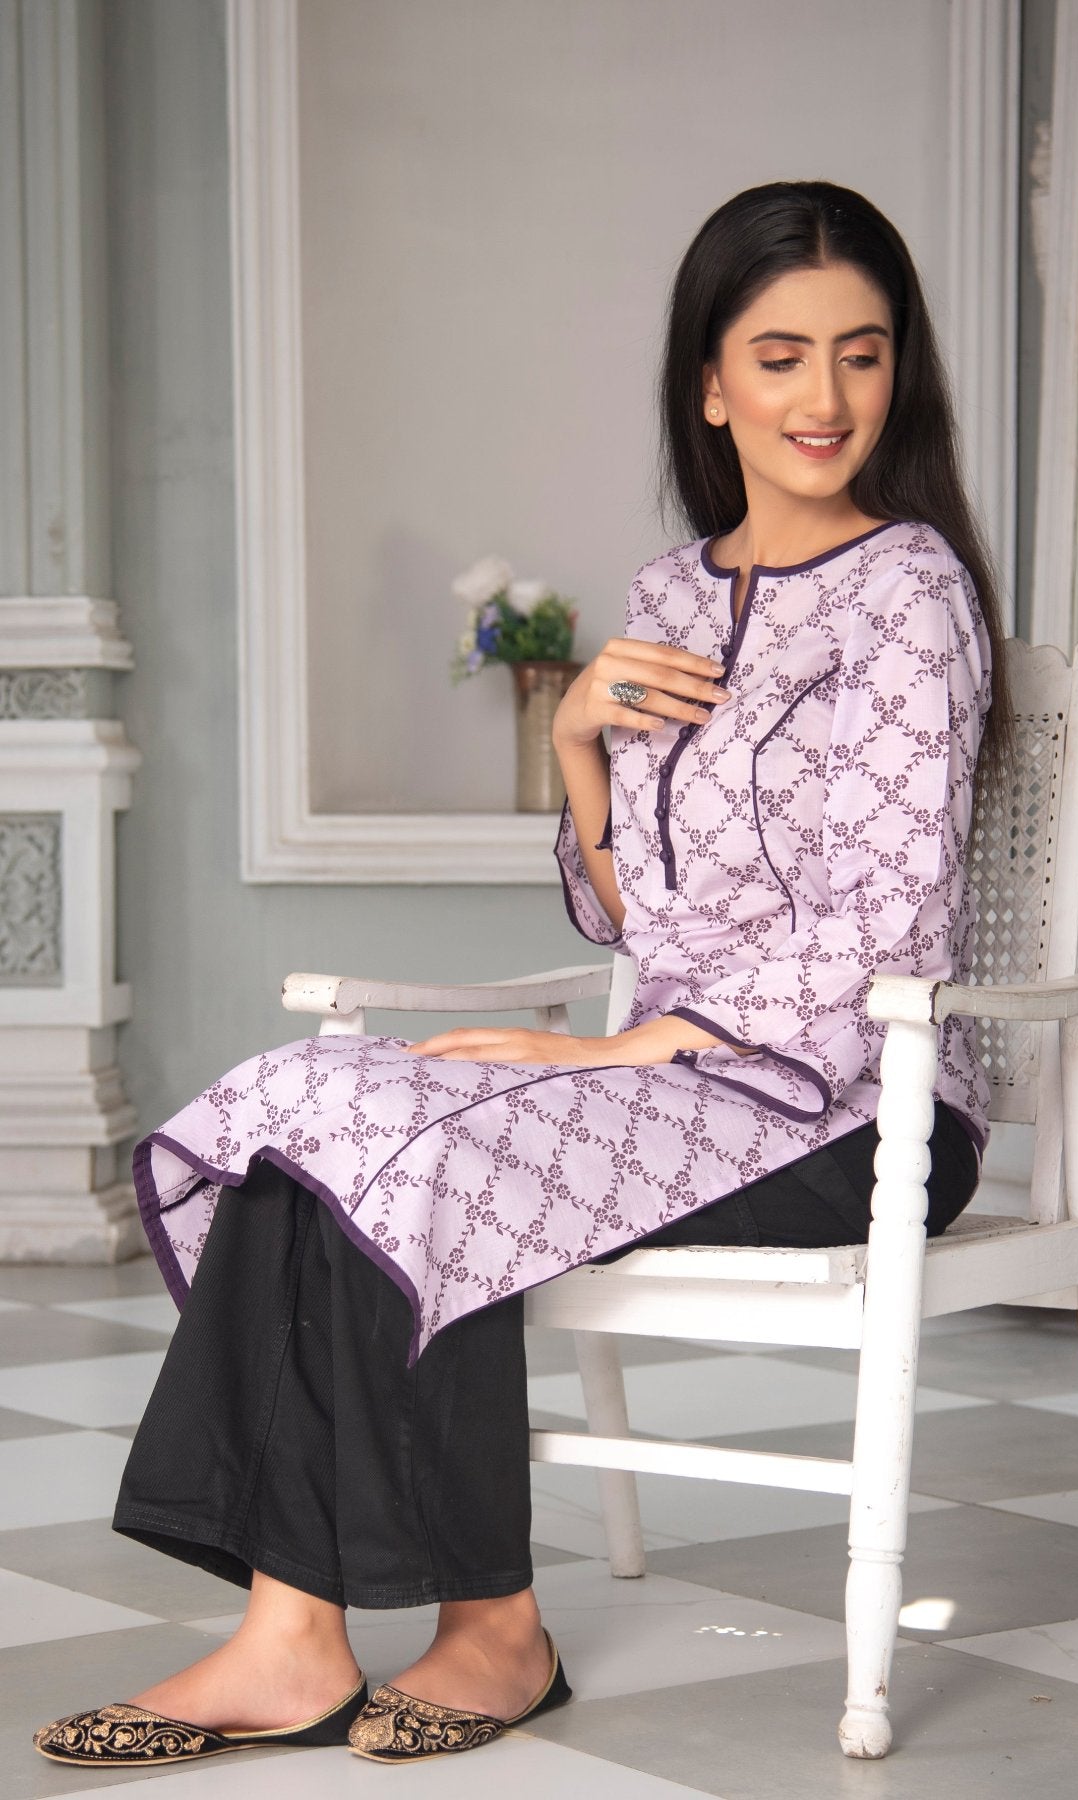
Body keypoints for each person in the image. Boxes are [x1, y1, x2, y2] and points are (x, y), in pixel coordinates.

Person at [33, 180, 1006, 1770]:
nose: (825, 396)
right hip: (679, 1086)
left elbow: (889, 925)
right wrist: (574, 743)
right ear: (711, 383)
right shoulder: (671, 596)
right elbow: (640, 914)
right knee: (304, 1120)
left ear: (901, 370)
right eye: (779, 357)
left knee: (435, 1149)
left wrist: (628, 1055)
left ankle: (492, 1631)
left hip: (851, 1104)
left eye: (862, 351)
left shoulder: (910, 594)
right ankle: (292, 1638)